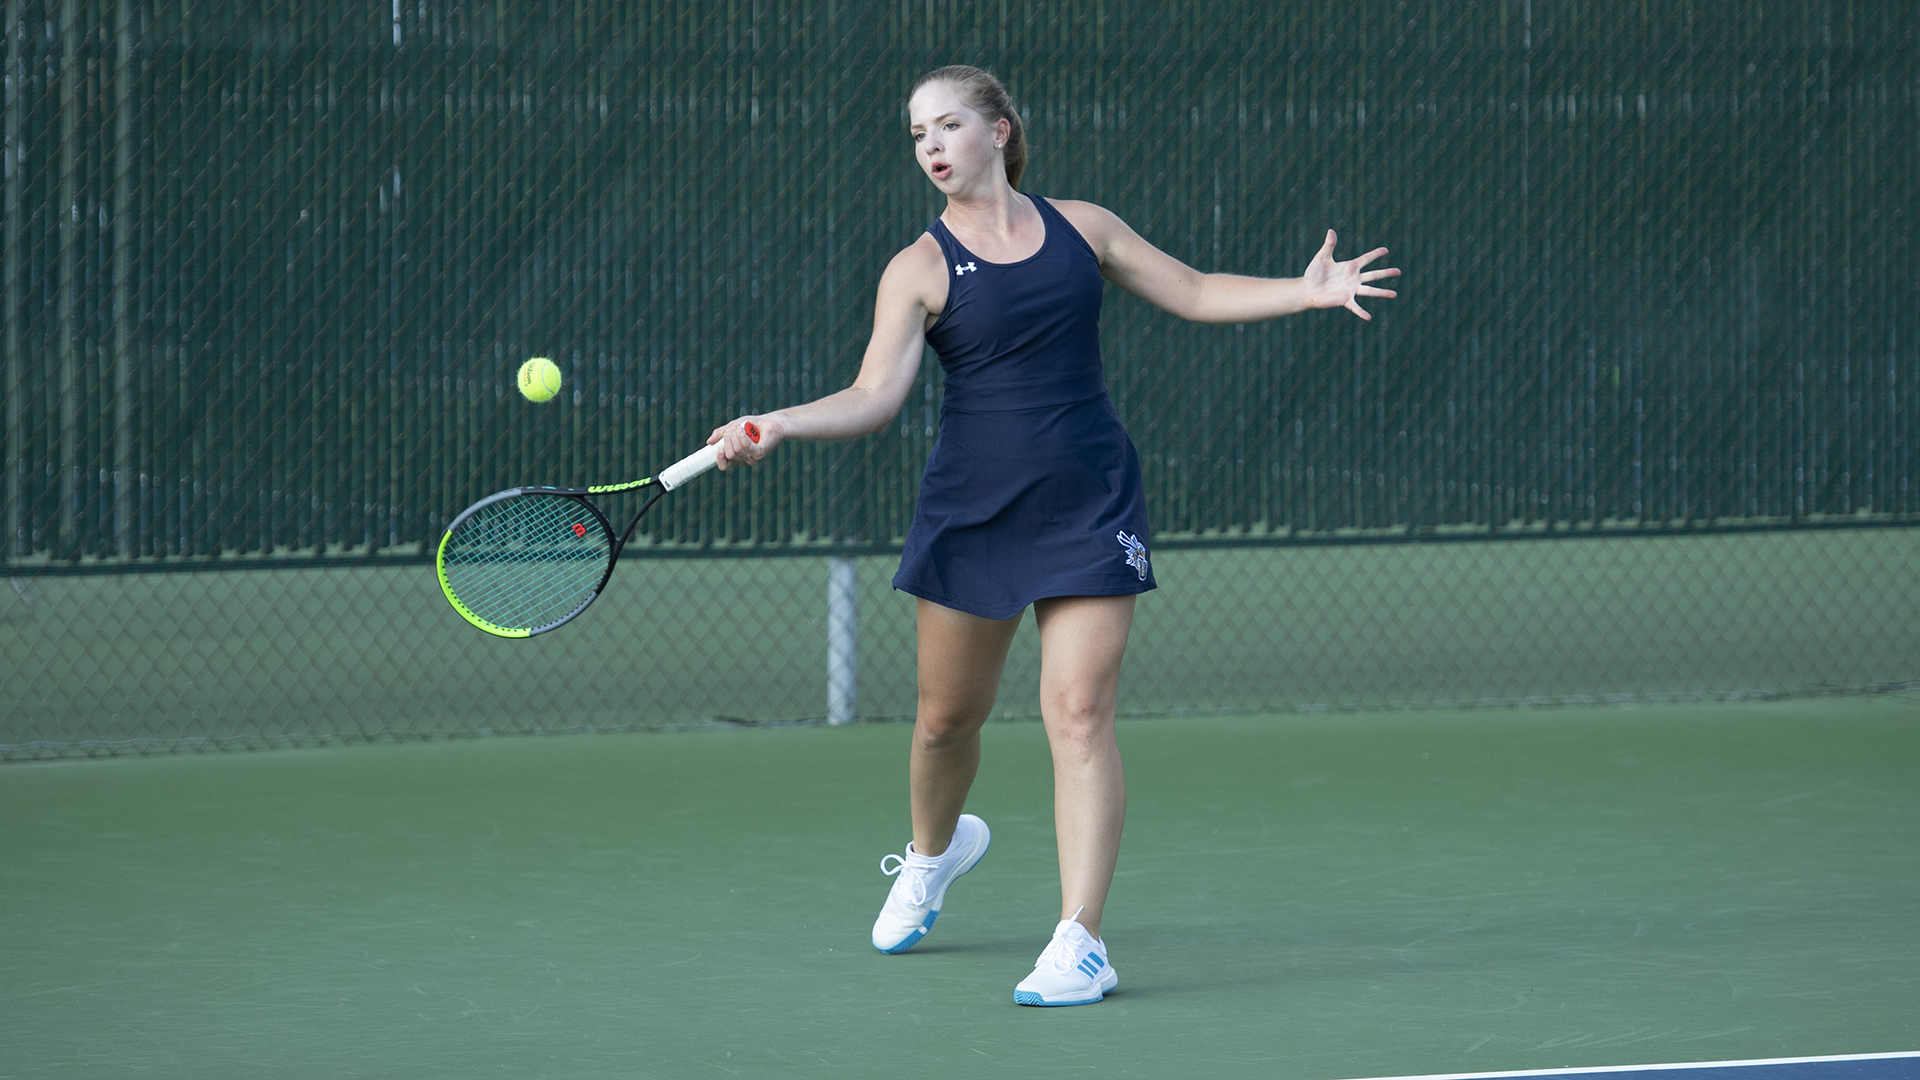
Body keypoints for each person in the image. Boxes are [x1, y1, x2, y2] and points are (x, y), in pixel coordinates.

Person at [708, 65, 1398, 1006]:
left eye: (948, 125)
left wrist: (1301, 292)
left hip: (1089, 499)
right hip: (974, 511)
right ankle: (933, 854)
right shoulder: (918, 269)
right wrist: (782, 422)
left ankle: (1081, 941)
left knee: (1079, 715)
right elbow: (874, 396)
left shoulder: (1085, 228)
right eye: (918, 134)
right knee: (945, 722)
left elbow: (1195, 291)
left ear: (999, 130)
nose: (932, 146)